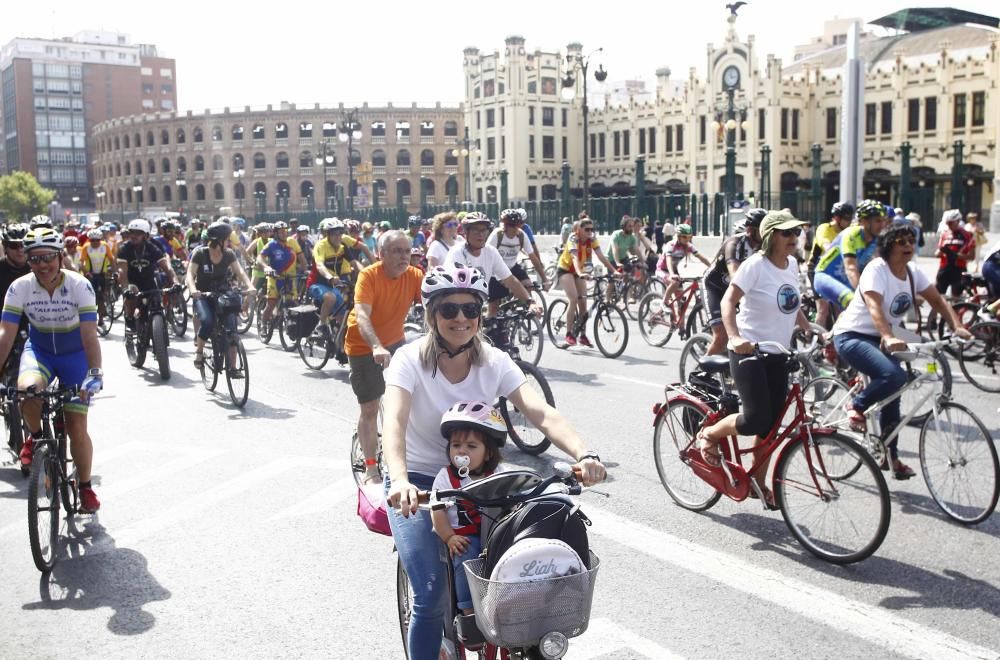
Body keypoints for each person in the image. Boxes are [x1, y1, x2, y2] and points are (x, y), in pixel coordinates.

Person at [383, 263, 606, 658]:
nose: (461, 319)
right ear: (432, 314)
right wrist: (399, 479)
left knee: (522, 577)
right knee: (431, 594)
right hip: (419, 482)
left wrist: (584, 454)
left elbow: (540, 412)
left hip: (482, 478)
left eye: (471, 309)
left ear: (481, 312)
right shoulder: (409, 360)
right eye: (449, 309)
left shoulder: (494, 360)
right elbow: (395, 425)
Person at [832, 222, 973, 479]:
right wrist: (886, 335)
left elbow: (936, 300)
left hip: (888, 337)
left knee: (895, 391)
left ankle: (891, 457)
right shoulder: (877, 269)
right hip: (853, 335)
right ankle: (857, 404)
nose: (909, 245)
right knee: (893, 376)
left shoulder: (912, 273)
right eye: (902, 241)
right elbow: (874, 305)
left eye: (911, 241)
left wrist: (958, 326)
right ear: (889, 245)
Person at [697, 211, 814, 508]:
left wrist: (808, 326)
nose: (794, 238)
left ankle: (758, 484)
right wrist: (735, 338)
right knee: (755, 419)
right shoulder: (755, 266)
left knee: (771, 427)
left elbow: (791, 301)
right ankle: (710, 433)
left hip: (778, 354)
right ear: (772, 236)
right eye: (787, 233)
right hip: (749, 353)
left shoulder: (792, 265)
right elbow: (728, 300)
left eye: (796, 232)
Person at [0, 227, 103, 512]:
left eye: (47, 257)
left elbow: (89, 335)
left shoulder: (80, 285)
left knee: (76, 427)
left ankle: (84, 487)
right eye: (34, 259)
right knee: (26, 392)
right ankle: (35, 438)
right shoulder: (19, 287)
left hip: (75, 355)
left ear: (59, 257)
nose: (42, 265)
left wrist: (94, 372)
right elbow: (6, 335)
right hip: (41, 352)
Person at [344, 230, 424, 485]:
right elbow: (363, 316)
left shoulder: (414, 276)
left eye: (407, 251)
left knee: (407, 401)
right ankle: (370, 468)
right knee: (370, 407)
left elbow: (432, 309)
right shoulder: (369, 276)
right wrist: (376, 346)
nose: (404, 256)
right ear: (381, 254)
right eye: (397, 251)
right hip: (363, 345)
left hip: (396, 341)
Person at [430, 400, 507, 615]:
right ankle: (469, 611)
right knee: (467, 556)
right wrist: (449, 537)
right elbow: (438, 511)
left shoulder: (498, 472)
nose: (461, 452)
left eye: (471, 447)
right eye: (456, 446)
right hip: (465, 537)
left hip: (494, 535)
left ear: (488, 453)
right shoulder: (446, 477)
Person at [443, 212, 540, 319]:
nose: (481, 234)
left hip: (477, 305)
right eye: (476, 230)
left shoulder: (491, 252)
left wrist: (530, 302)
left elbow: (510, 280)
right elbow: (452, 289)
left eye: (484, 230)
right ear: (466, 232)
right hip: (457, 308)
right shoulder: (457, 253)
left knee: (498, 331)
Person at [187, 221, 255, 371]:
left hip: (223, 294)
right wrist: (193, 290)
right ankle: (199, 351)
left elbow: (240, 272)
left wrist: (249, 286)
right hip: (203, 295)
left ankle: (233, 367)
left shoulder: (229, 254)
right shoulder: (200, 253)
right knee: (207, 322)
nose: (229, 242)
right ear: (218, 240)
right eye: (227, 239)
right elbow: (190, 275)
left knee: (232, 328)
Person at [702, 208, 766, 355]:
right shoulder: (735, 243)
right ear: (750, 230)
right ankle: (701, 373)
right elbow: (735, 274)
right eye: (763, 230)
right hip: (715, 287)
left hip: (736, 289)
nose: (767, 234)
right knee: (722, 335)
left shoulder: (764, 245)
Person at [813, 199, 889, 311]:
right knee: (852, 303)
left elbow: (882, 267)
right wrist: (864, 295)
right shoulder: (851, 234)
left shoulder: (876, 240)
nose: (882, 225)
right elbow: (851, 268)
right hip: (826, 277)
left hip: (846, 281)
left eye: (884, 221)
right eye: (878, 221)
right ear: (864, 221)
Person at [556, 217, 617, 347]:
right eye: (587, 229)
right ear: (579, 230)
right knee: (573, 299)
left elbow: (601, 256)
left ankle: (583, 335)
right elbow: (574, 257)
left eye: (592, 229)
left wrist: (614, 271)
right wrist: (579, 273)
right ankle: (568, 334)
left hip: (580, 272)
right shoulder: (573, 238)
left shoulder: (592, 239)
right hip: (566, 269)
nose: (590, 232)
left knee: (583, 303)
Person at [116, 218, 177, 334]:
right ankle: (129, 319)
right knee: (131, 293)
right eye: (131, 232)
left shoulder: (152, 248)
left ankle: (160, 329)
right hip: (132, 280)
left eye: (138, 233)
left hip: (149, 280)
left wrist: (175, 281)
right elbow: (122, 271)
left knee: (157, 304)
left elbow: (167, 267)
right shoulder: (124, 249)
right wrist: (125, 288)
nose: (134, 236)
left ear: (146, 235)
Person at [808, 202, 855, 328]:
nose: (849, 222)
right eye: (846, 218)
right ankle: (815, 340)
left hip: (836, 270)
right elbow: (826, 244)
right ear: (837, 218)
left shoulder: (848, 232)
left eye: (851, 218)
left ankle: (835, 340)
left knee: (841, 309)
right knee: (823, 309)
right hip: (817, 269)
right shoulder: (824, 228)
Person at [256, 221, 307, 326]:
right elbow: (259, 258)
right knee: (272, 303)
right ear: (275, 233)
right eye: (281, 232)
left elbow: (301, 258)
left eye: (285, 231)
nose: (284, 233)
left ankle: (293, 327)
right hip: (275, 278)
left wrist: (305, 269)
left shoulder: (292, 242)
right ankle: (263, 324)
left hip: (290, 278)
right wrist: (266, 267)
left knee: (293, 302)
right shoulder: (271, 245)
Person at [490, 208, 548, 295]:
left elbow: (533, 258)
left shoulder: (521, 235)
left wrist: (544, 279)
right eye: (512, 226)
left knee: (529, 286)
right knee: (495, 303)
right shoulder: (497, 235)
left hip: (513, 267)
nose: (516, 228)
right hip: (497, 269)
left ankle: (520, 306)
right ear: (505, 226)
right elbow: (486, 255)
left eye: (518, 225)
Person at [656, 223, 712, 309]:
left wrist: (712, 267)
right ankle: (664, 302)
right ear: (678, 236)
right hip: (663, 270)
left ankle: (678, 321)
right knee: (675, 282)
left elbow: (701, 257)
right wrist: (671, 274)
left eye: (689, 237)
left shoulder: (688, 246)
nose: (687, 239)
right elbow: (668, 260)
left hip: (674, 271)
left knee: (681, 304)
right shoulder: (671, 245)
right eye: (684, 237)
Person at [81, 228, 113, 318]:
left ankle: (103, 311)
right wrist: (86, 272)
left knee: (102, 294)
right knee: (93, 295)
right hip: (91, 274)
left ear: (101, 240)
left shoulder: (105, 246)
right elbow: (81, 262)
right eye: (92, 240)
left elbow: (111, 259)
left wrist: (114, 271)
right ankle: (95, 312)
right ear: (89, 240)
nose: (95, 242)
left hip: (102, 273)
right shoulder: (86, 247)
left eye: (97, 240)